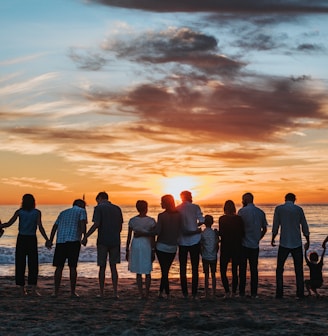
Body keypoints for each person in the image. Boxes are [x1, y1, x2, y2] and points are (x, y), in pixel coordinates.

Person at [0, 194, 49, 296]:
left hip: (21, 239)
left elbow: (9, 224)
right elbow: (40, 227)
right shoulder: (37, 212)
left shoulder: (19, 212)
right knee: (33, 264)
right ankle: (33, 289)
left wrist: (1, 225)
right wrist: (47, 239)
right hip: (31, 239)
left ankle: (22, 289)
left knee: (20, 263)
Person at [82, 191, 123, 298]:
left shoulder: (99, 208)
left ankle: (101, 292)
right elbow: (120, 226)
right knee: (113, 267)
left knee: (102, 267)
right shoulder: (117, 208)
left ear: (100, 198)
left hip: (103, 240)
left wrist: (86, 236)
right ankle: (115, 292)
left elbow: (96, 224)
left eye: (97, 201)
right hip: (115, 240)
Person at [271, 193, 310, 299]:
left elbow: (276, 225)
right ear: (294, 200)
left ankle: (279, 293)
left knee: (279, 269)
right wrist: (307, 239)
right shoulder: (299, 209)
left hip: (284, 242)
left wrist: (273, 237)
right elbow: (304, 225)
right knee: (299, 270)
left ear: (285, 199)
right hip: (296, 242)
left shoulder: (279, 209)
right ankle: (300, 293)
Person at [47, 199, 87, 298]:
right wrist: (84, 236)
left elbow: (55, 227)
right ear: (81, 205)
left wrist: (50, 240)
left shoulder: (63, 212)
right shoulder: (81, 211)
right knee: (72, 267)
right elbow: (82, 223)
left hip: (61, 241)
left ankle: (55, 292)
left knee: (59, 267)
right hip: (73, 241)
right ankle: (72, 292)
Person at [238, 192, 267, 298]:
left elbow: (238, 228)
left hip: (244, 244)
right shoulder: (260, 212)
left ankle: (242, 292)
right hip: (255, 244)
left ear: (245, 200)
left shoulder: (242, 211)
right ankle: (253, 293)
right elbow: (264, 228)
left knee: (242, 270)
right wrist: (258, 238)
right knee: (254, 270)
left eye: (243, 199)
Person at [176, 190, 204, 299]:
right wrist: (194, 225)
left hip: (182, 241)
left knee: (182, 267)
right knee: (195, 267)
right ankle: (194, 293)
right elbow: (202, 220)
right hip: (195, 240)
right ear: (189, 197)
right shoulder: (195, 207)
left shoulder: (177, 208)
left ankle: (185, 293)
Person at [125, 200, 156, 299]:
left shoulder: (132, 220)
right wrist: (153, 249)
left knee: (138, 271)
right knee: (147, 270)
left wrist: (127, 249)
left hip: (136, 244)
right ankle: (146, 293)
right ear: (146, 208)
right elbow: (152, 237)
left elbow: (129, 236)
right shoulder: (151, 221)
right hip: (146, 244)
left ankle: (141, 294)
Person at [155, 194, 183, 299]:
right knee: (165, 270)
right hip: (172, 247)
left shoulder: (161, 216)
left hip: (161, 246)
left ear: (165, 203)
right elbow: (181, 230)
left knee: (164, 271)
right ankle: (164, 292)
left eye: (162, 202)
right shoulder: (179, 215)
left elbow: (158, 231)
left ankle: (164, 293)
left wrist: (147, 231)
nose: (160, 203)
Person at [218, 200, 244, 298]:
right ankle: (233, 292)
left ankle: (227, 292)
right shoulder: (239, 219)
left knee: (223, 270)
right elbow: (242, 233)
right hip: (237, 246)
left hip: (226, 246)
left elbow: (221, 233)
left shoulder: (222, 219)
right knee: (234, 271)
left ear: (225, 208)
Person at [200, 214, 219, 298]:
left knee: (206, 275)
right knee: (213, 275)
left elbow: (201, 245)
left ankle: (206, 293)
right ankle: (214, 292)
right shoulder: (214, 233)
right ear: (212, 222)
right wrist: (215, 252)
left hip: (205, 256)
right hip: (213, 256)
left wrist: (202, 253)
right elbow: (217, 244)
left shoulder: (202, 233)